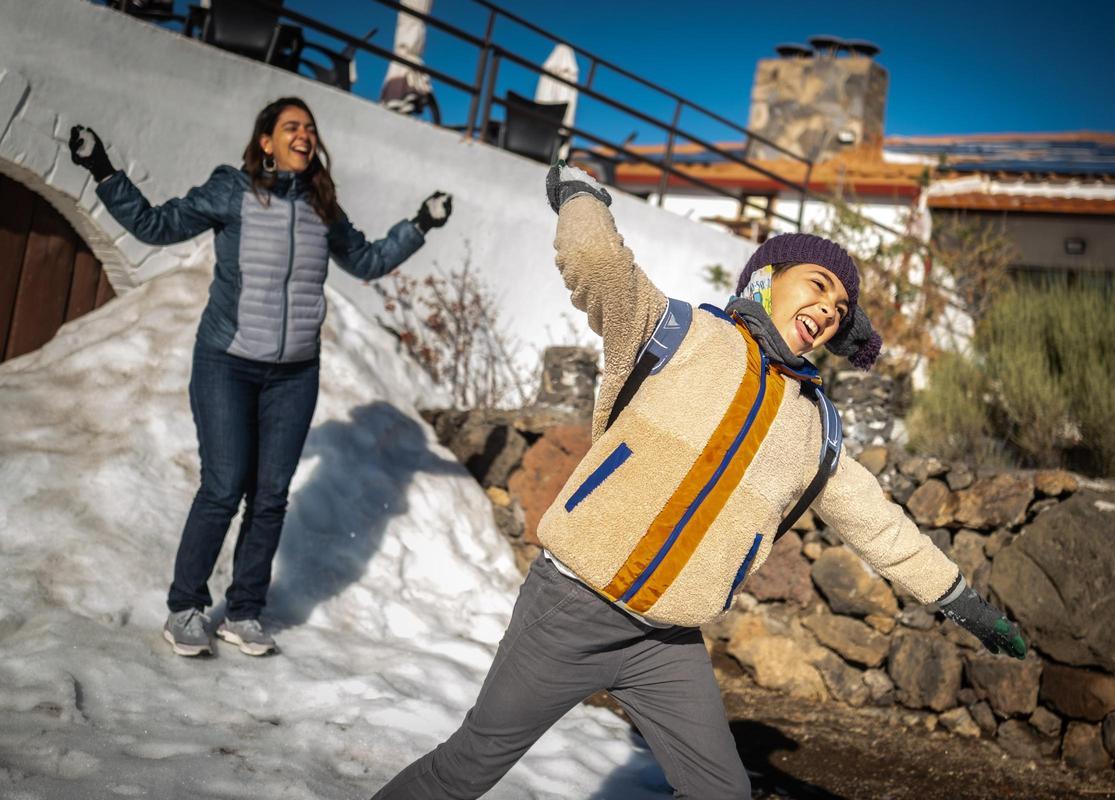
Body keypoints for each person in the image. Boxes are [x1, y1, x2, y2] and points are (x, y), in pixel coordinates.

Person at [370, 164, 1025, 799]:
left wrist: (965, 603)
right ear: (766, 279)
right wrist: (580, 191)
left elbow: (879, 525)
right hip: (571, 610)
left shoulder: (813, 430)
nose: (829, 307)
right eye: (818, 284)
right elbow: (597, 262)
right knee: (467, 768)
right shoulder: (679, 333)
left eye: (841, 306)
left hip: (665, 643)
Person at [69, 96, 453, 658]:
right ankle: (186, 607)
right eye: (291, 126)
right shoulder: (233, 190)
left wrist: (420, 223)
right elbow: (156, 225)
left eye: (310, 128)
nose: (304, 134)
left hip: (295, 374)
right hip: (227, 362)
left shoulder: (323, 206)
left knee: (270, 497)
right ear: (266, 140)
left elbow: (366, 261)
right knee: (224, 486)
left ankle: (245, 610)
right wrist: (102, 168)